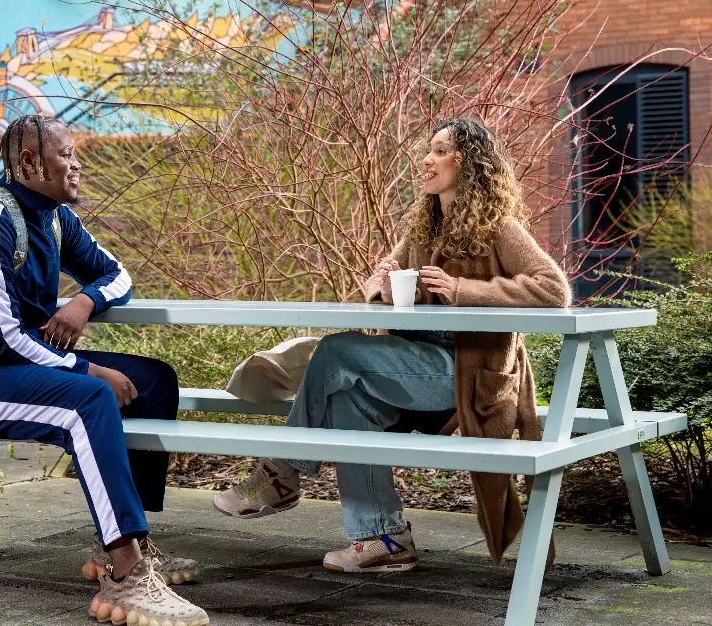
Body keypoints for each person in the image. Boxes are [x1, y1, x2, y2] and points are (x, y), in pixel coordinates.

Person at [213, 117, 570, 573]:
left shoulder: (501, 228)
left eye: (440, 151)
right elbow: (380, 281)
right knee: (347, 404)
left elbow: (553, 289)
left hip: (465, 375)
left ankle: (281, 472)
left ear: (471, 163)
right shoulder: (423, 228)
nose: (426, 159)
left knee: (337, 350)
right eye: (429, 149)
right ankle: (383, 537)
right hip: (413, 366)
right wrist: (377, 286)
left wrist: (463, 290)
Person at [0, 115, 209, 626]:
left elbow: (116, 274)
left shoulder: (54, 218)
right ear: (29, 162)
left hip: (9, 362)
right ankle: (128, 575)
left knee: (154, 382)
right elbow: (1, 341)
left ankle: (123, 542)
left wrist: (84, 302)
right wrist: (86, 368)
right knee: (87, 400)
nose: (77, 164)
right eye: (66, 154)